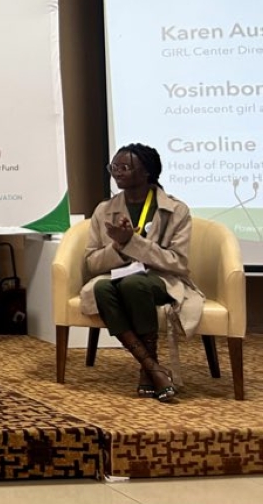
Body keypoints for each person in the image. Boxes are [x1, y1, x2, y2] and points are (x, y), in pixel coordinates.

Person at [80, 143, 203, 402]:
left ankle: (150, 368)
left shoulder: (175, 210)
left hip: (161, 279)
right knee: (101, 287)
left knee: (134, 285)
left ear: (146, 171)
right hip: (116, 277)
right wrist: (119, 248)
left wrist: (133, 243)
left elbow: (177, 263)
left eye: (124, 167)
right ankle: (152, 367)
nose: (116, 172)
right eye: (113, 167)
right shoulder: (104, 210)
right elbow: (91, 263)